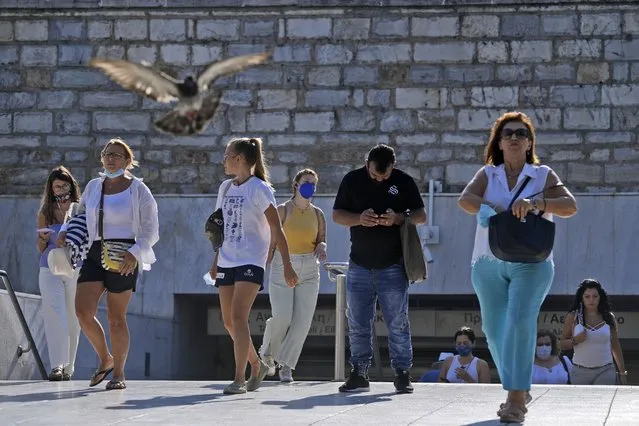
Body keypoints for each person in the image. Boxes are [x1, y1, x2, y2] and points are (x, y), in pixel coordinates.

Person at [457, 111, 578, 422]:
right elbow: (465, 199)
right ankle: (518, 387)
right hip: (488, 262)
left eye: (520, 133)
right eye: (507, 133)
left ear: (529, 143)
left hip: (532, 263)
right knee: (495, 332)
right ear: (499, 142)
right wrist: (491, 206)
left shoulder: (543, 175)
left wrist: (538, 204)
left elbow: (570, 206)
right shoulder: (489, 174)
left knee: (519, 322)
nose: (513, 137)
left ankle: (515, 399)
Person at [57, 138, 159, 390]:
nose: (110, 158)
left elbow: (151, 227)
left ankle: (119, 374)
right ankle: (105, 358)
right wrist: (65, 230)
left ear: (127, 161)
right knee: (82, 310)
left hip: (124, 253)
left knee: (116, 317)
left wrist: (135, 253)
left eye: (116, 154)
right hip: (94, 250)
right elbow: (78, 213)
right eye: (106, 154)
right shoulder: (94, 186)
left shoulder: (138, 190)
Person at [332, 144, 427, 394]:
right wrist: (359, 219)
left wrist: (398, 217)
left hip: (393, 265)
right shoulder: (352, 180)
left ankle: (402, 373)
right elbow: (337, 215)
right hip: (359, 264)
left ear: (393, 167)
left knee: (398, 322)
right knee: (358, 322)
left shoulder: (403, 181)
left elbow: (421, 215)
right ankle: (359, 372)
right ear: (367, 164)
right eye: (375, 175)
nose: (379, 179)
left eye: (384, 176)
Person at [210, 137, 298, 394]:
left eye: (227, 155)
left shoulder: (260, 188)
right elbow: (219, 227)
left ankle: (239, 378)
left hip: (251, 261)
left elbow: (276, 228)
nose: (224, 160)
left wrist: (288, 265)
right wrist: (215, 260)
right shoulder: (225, 188)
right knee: (228, 321)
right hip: (227, 259)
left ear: (239, 159)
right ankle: (256, 364)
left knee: (239, 316)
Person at [259, 168, 327, 383]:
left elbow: (321, 240)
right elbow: (271, 242)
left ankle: (286, 366)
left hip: (309, 266)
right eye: (307, 182)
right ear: (296, 184)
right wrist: (264, 266)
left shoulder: (318, 214)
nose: (311, 187)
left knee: (303, 320)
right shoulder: (282, 210)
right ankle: (268, 354)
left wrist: (322, 246)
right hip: (283, 264)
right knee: (283, 316)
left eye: (314, 183)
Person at [36, 166, 82, 381]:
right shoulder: (45, 212)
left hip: (75, 266)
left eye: (64, 185)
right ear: (51, 189)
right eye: (56, 186)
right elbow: (39, 247)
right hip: (50, 264)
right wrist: (43, 240)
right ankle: (57, 366)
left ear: (71, 186)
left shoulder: (80, 208)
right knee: (54, 312)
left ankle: (69, 367)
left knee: (74, 317)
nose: (60, 189)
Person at [559, 279, 627, 385]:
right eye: (587, 296)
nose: (591, 300)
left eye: (595, 296)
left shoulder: (609, 317)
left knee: (603, 400)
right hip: (580, 370)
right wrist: (575, 340)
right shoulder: (573, 317)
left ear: (600, 297)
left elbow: (615, 345)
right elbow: (562, 344)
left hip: (605, 369)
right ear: (582, 298)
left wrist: (622, 373)